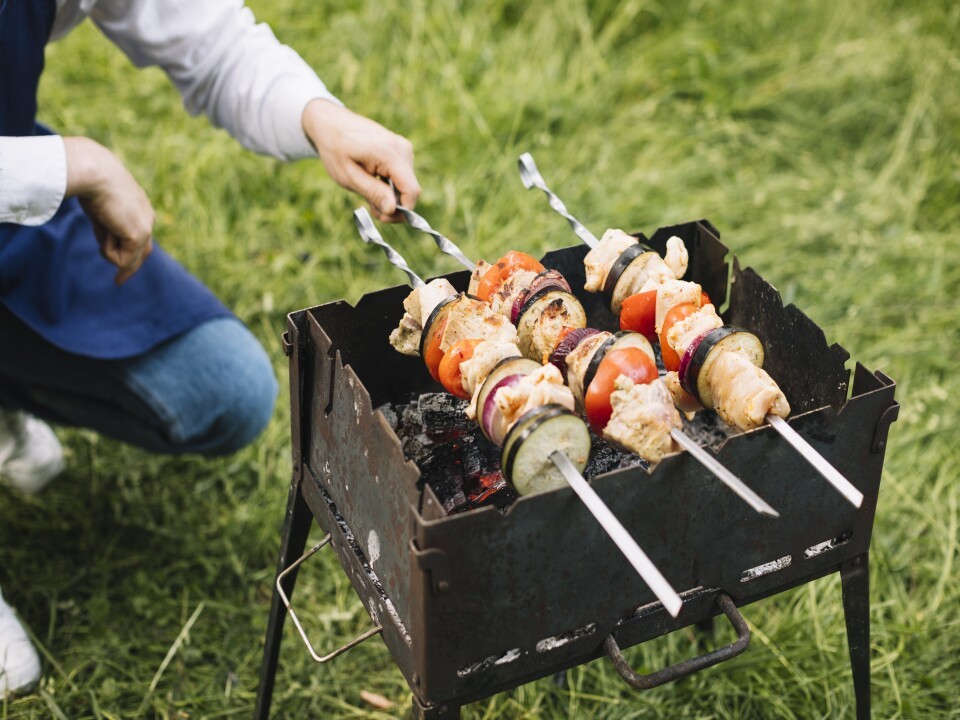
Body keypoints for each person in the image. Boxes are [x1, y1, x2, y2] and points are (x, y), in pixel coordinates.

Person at [0, 0, 421, 697]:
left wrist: (319, 116)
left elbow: (206, 38)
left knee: (221, 389)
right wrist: (81, 165)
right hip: (33, 174)